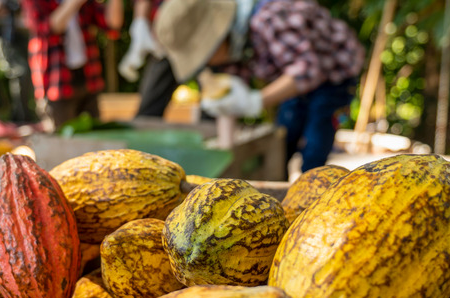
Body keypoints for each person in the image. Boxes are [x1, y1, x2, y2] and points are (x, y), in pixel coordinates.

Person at [153, 0, 365, 173]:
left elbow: (307, 69)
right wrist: (228, 158)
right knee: (286, 136)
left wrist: (256, 101)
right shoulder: (235, 45)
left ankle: (312, 193)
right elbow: (230, 105)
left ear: (217, 39)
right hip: (293, 79)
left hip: (333, 75)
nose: (206, 64)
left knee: (315, 143)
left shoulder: (269, 19)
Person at [20, 0, 123, 131]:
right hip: (56, 84)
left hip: (88, 79)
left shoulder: (87, 4)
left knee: (94, 140)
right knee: (60, 142)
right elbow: (49, 28)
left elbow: (112, 25)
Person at [117, 0, 179, 118]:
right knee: (147, 112)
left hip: (201, 35)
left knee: (214, 103)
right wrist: (141, 23)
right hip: (163, 45)